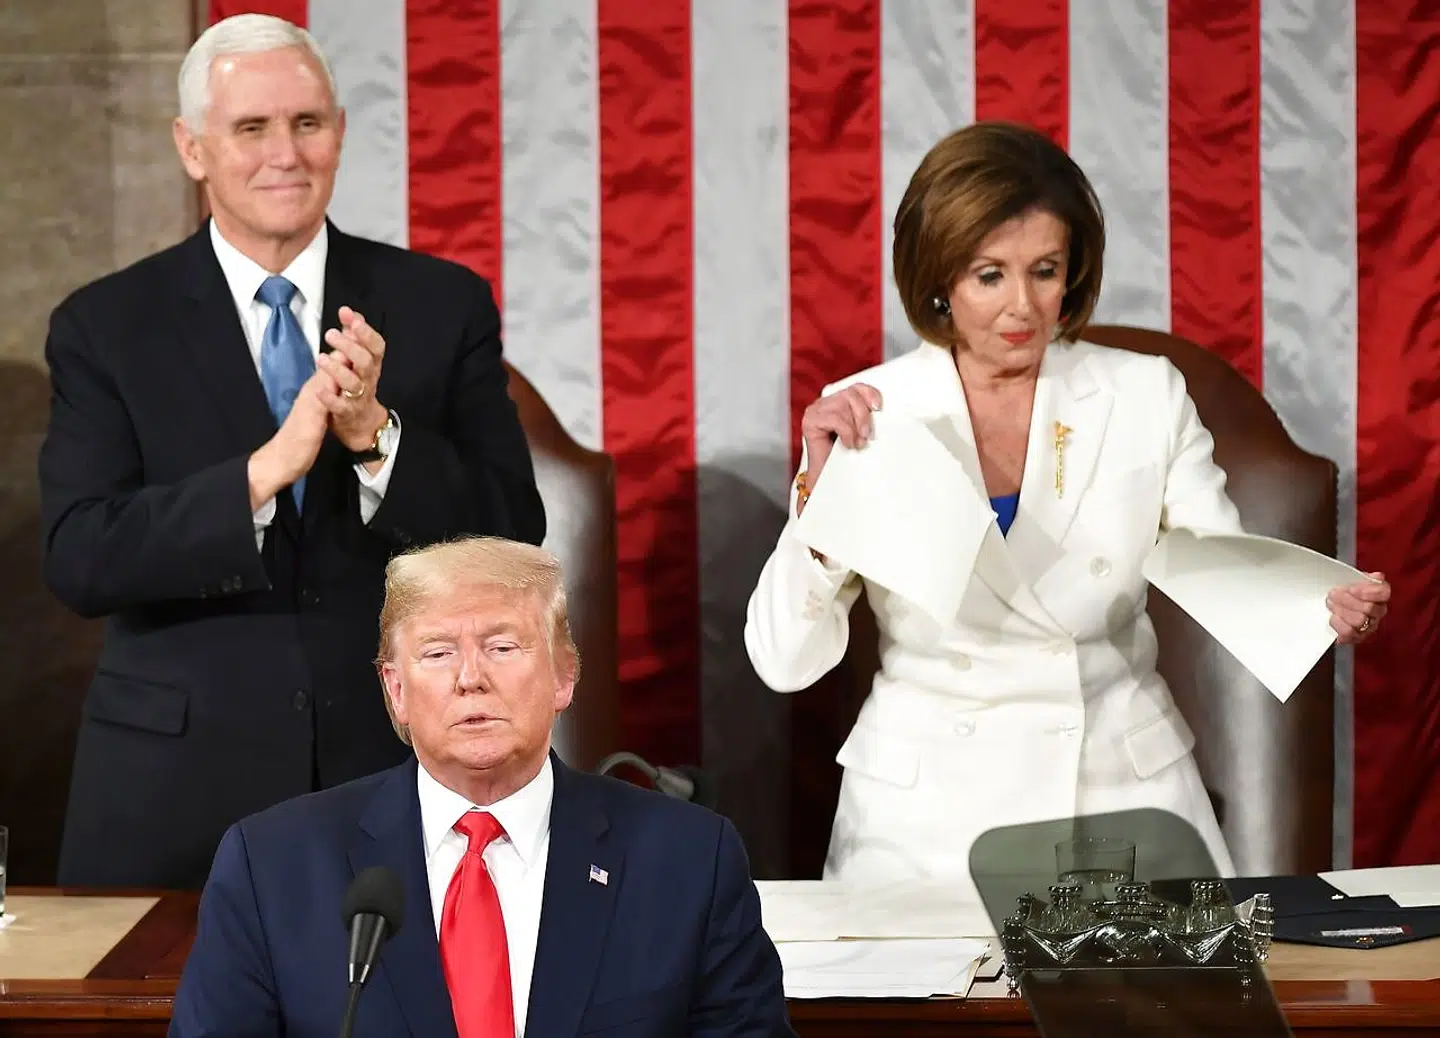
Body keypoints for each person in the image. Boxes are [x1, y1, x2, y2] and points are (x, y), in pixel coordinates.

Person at [744, 121, 1391, 888]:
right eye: (990, 276)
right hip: (923, 827)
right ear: (938, 279)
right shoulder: (868, 411)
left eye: (1045, 270)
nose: (1023, 306)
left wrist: (1314, 605)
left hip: (1121, 803)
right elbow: (782, 660)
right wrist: (822, 509)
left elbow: (1219, 565)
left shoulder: (1144, 393)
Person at [38, 14, 545, 889]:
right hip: (174, 793)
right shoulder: (105, 325)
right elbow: (81, 555)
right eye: (251, 128)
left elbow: (511, 532)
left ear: (340, 134)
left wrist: (375, 439)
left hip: (385, 779)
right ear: (191, 147)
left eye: (307, 124)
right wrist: (262, 475)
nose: (287, 153)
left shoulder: (439, 303)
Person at [170, 537, 794, 1038]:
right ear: (395, 690)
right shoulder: (272, 864)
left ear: (564, 676)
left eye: (502, 645)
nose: (471, 678)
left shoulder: (689, 859)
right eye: (438, 653)